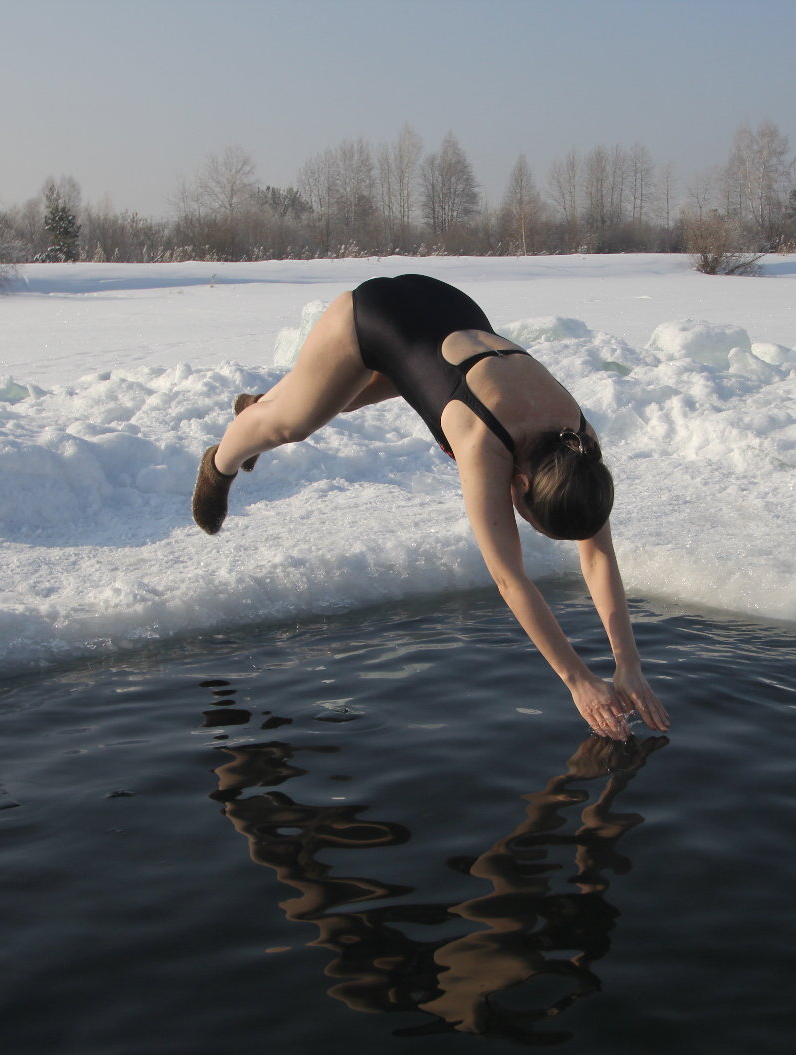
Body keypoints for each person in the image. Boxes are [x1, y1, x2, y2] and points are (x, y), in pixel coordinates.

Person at [192, 274, 668, 741]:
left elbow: (598, 554)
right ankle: (223, 459)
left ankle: (265, 408)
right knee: (290, 426)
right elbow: (509, 578)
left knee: (345, 399)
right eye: (532, 521)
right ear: (519, 483)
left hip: (447, 308)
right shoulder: (485, 443)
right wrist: (579, 682)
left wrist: (629, 664)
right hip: (373, 315)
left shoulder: (578, 450)